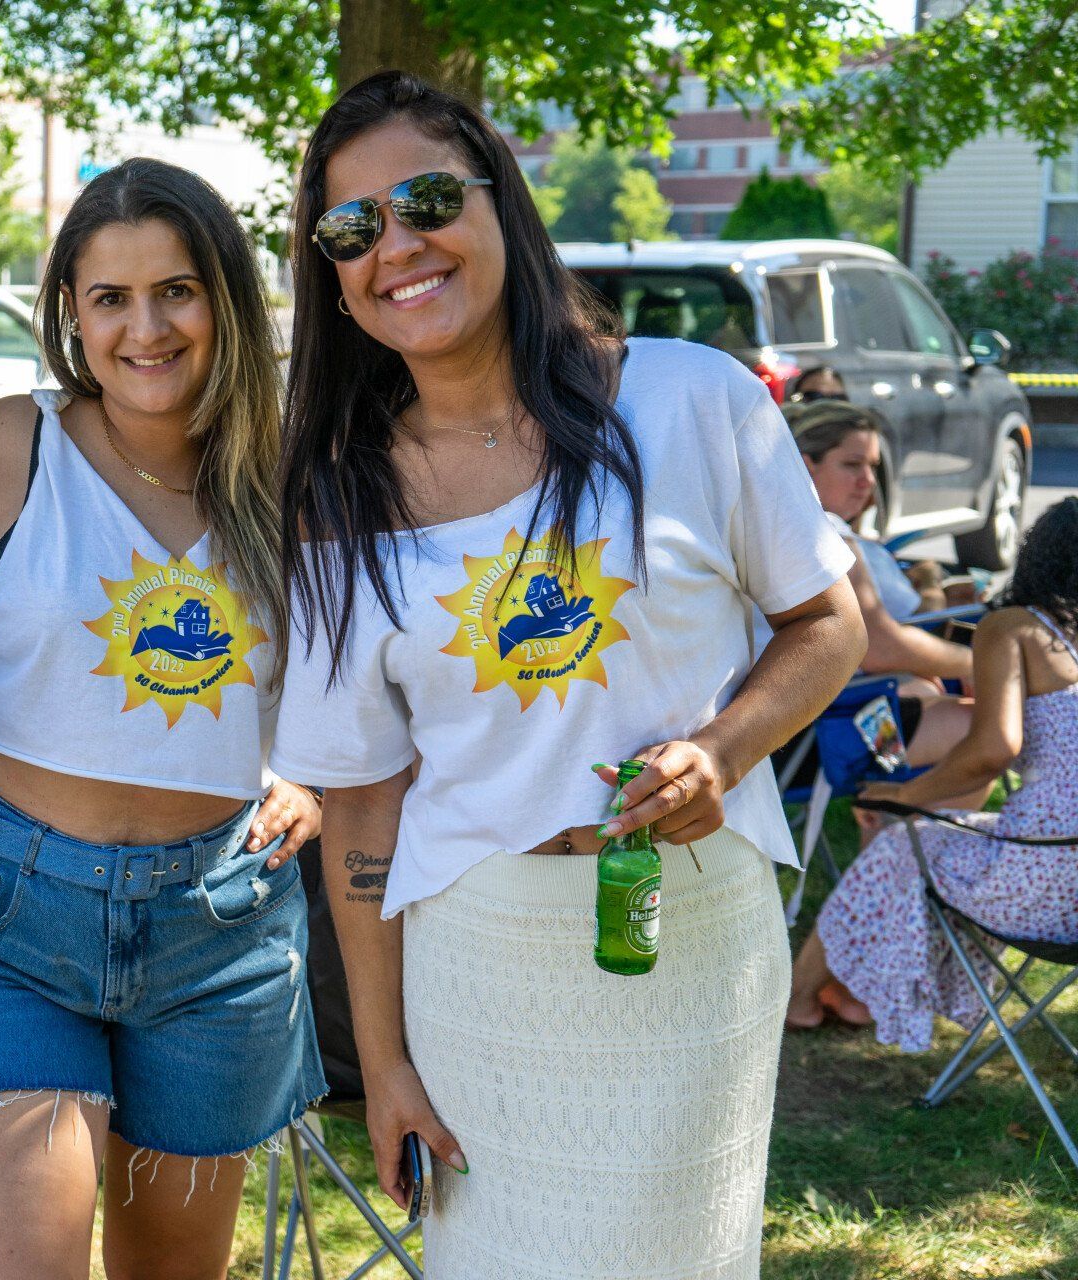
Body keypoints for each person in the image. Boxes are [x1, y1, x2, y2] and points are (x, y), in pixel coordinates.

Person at [270, 72, 866, 1278]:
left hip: (692, 938)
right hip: (480, 965)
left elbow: (828, 623)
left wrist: (725, 748)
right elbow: (364, 801)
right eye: (353, 228)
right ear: (331, 273)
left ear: (504, 203)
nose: (398, 244)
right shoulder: (342, 498)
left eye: (429, 197)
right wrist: (381, 1064)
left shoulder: (692, 398)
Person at [0, 157, 325, 1280]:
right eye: (110, 298)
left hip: (223, 929)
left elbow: (355, 692)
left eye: (177, 290)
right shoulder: (11, 445)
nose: (146, 326)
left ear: (225, 301)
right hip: (9, 920)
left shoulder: (291, 474)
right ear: (72, 317)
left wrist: (309, 772)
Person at [788, 498, 1078, 1039]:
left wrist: (905, 796)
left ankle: (801, 996)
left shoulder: (1016, 627)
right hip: (1067, 885)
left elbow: (994, 749)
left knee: (904, 844)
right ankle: (858, 992)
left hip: (1047, 876)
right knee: (937, 842)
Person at [787, 400, 985, 803]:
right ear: (807, 466)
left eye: (873, 467)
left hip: (804, 729)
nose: (868, 480)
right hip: (822, 735)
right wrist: (978, 664)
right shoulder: (825, 533)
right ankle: (906, 855)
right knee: (981, 735)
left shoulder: (778, 525)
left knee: (937, 709)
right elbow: (879, 647)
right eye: (852, 465)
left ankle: (890, 840)